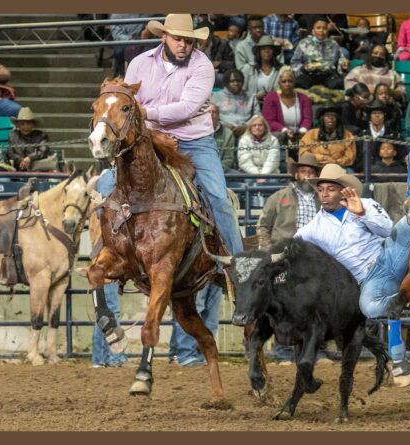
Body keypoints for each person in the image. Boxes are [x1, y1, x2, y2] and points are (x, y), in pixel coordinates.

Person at [125, 14, 245, 366]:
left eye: (189, 40)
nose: (184, 45)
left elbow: (188, 107)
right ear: (165, 37)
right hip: (148, 141)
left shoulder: (203, 67)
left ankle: (239, 270)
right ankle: (112, 253)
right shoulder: (138, 64)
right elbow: (126, 104)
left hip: (194, 142)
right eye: (178, 39)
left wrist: (146, 114)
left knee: (219, 198)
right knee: (106, 188)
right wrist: (145, 125)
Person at [295, 159, 410, 387]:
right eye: (321, 190)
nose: (324, 194)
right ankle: (407, 305)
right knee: (368, 306)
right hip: (369, 280)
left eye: (330, 189)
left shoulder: (364, 203)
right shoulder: (313, 228)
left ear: (343, 190)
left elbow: (387, 228)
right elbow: (292, 247)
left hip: (389, 254)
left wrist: (361, 213)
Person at [257, 153, 323, 364]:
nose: (306, 175)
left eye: (311, 172)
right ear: (296, 174)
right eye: (303, 171)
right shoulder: (279, 197)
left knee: (316, 304)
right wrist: (270, 251)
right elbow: (263, 225)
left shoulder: (321, 199)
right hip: (283, 256)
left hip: (312, 256)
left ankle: (316, 351)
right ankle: (284, 352)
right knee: (282, 305)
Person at [91, 166, 129, 368]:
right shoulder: (110, 177)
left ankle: (100, 358)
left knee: (105, 308)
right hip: (107, 255)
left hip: (104, 255)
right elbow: (105, 213)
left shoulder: (108, 178)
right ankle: (112, 358)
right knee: (109, 308)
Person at [261, 68, 313, 152]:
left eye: (290, 81)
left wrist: (302, 131)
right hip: (279, 133)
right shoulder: (271, 98)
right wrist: (284, 130)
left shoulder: (304, 98)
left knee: (310, 136)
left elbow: (307, 119)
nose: (287, 84)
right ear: (279, 83)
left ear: (294, 83)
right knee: (278, 136)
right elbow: (269, 121)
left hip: (299, 133)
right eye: (284, 81)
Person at [290, 17, 349, 89]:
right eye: (318, 28)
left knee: (340, 83)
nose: (321, 30)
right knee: (298, 83)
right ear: (313, 31)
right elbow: (294, 62)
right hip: (310, 74)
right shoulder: (304, 43)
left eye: (324, 28)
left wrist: (343, 65)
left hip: (328, 74)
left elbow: (341, 59)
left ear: (327, 31)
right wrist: (303, 68)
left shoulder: (333, 44)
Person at [354, 99, 402, 173]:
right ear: (370, 116)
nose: (377, 116)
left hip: (390, 172)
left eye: (380, 113)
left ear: (384, 115)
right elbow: (357, 159)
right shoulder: (361, 136)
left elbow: (400, 157)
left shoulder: (395, 136)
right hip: (365, 173)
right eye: (374, 113)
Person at [211, 68, 260, 139]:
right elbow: (211, 116)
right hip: (222, 131)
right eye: (232, 81)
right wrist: (223, 125)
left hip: (247, 131)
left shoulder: (251, 97)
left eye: (239, 81)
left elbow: (257, 116)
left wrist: (246, 126)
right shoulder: (216, 96)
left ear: (243, 82)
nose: (236, 83)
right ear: (226, 83)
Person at [7, 107, 56, 172]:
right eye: (22, 124)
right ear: (18, 125)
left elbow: (43, 151)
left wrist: (30, 158)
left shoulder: (41, 135)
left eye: (28, 123)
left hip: (38, 169)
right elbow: (10, 153)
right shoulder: (13, 136)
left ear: (33, 125)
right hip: (18, 168)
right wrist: (21, 160)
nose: (25, 126)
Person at [240, 35, 283, 106]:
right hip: (251, 106)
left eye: (270, 49)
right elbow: (241, 92)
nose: (267, 51)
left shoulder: (281, 70)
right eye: (263, 49)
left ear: (274, 52)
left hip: (275, 105)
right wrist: (256, 96)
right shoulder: (248, 68)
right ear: (259, 52)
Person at [197, 21, 236, 89]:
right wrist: (201, 49)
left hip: (216, 73)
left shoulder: (222, 44)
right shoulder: (191, 45)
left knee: (222, 78)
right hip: (197, 74)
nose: (205, 37)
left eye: (207, 34)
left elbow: (233, 64)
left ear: (212, 35)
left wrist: (219, 64)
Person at [211, 104, 238, 173]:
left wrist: (218, 171)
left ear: (218, 115)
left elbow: (228, 158)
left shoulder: (228, 133)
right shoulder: (197, 133)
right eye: (208, 112)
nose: (211, 115)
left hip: (223, 171)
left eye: (214, 112)